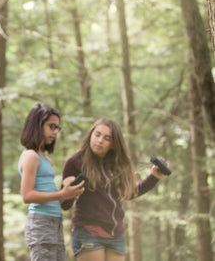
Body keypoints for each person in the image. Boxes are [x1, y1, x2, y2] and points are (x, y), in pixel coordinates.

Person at [61, 118, 168, 261]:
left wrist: (154, 177)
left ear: (113, 144)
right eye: (97, 135)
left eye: (107, 138)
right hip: (88, 231)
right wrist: (66, 191)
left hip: (115, 234)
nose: (100, 141)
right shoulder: (75, 162)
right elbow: (65, 205)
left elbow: (128, 193)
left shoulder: (117, 164)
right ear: (90, 134)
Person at [18, 103, 85, 261]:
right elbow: (27, 195)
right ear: (37, 124)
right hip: (41, 222)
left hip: (55, 221)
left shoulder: (46, 160)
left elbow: (52, 194)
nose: (55, 132)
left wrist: (69, 191)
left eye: (57, 128)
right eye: (51, 126)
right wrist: (61, 193)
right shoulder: (30, 156)